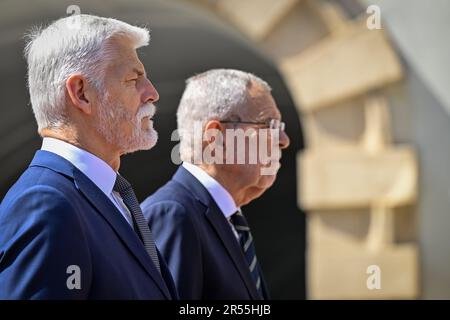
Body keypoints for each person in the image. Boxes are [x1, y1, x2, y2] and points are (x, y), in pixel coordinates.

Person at [0, 14, 177, 299]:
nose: (152, 93)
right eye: (134, 79)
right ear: (81, 93)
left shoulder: (108, 195)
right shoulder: (47, 205)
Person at [141, 69, 290, 299]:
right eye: (269, 125)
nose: (284, 140)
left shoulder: (226, 218)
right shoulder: (173, 214)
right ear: (216, 138)